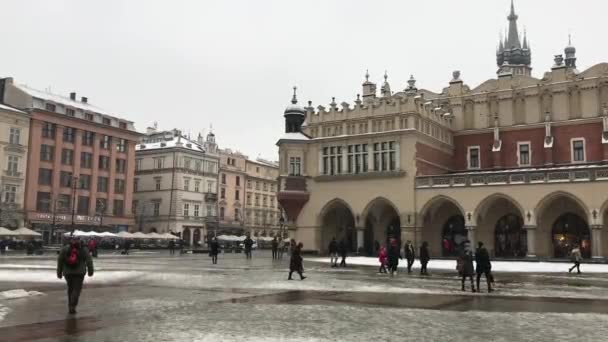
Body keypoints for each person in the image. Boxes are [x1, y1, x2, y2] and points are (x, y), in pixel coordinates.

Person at [57, 236, 94, 314]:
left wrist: (59, 272)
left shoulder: (64, 249)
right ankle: (72, 306)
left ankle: (70, 305)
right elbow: (89, 260)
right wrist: (90, 271)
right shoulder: (83, 249)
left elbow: (60, 260)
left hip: (67, 273)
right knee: (76, 290)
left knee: (70, 288)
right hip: (79, 273)